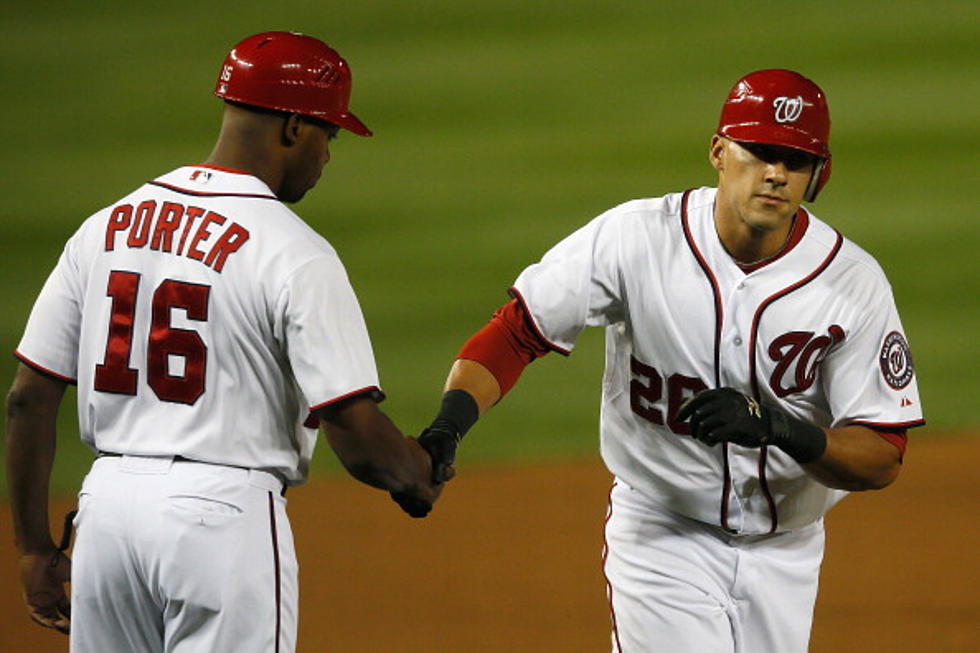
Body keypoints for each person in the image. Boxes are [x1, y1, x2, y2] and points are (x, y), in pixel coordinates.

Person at [417, 69, 924, 651]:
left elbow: (883, 455)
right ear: (718, 151)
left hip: (789, 551)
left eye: (796, 159)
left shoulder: (852, 283)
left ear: (818, 175)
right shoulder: (636, 239)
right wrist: (448, 425)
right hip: (662, 534)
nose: (776, 173)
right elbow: (516, 334)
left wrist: (778, 428)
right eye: (758, 151)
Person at [6, 31, 441, 652]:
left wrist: (31, 550)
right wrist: (416, 473)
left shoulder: (105, 226)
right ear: (294, 126)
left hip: (105, 514)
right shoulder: (295, 251)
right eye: (329, 134)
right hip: (220, 522)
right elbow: (358, 439)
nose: (327, 154)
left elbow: (27, 397)